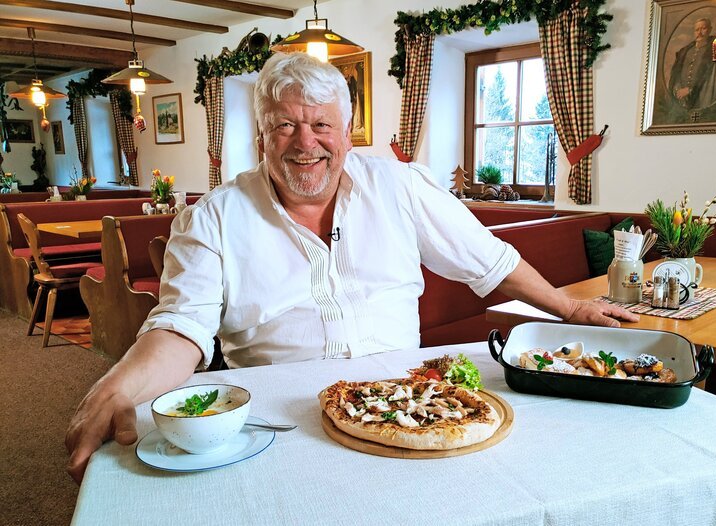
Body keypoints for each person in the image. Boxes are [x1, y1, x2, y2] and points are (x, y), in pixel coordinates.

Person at [65, 52, 638, 482]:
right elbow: (180, 329)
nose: (304, 142)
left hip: (415, 406)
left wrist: (571, 308)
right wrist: (119, 386)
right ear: (262, 133)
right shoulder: (212, 218)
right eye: (285, 125)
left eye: (321, 125)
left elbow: (489, 262)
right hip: (280, 424)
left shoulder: (400, 184)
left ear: (348, 127)